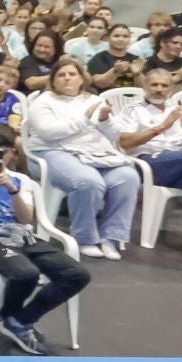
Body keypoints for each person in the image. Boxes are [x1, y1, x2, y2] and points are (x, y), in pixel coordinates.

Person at [0, 125, 92, 356]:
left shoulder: (21, 180)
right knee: (26, 273)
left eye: (5, 151)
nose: (0, 157)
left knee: (77, 275)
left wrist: (12, 190)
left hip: (23, 238)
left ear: (12, 153)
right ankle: (14, 320)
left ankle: (19, 319)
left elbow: (27, 218)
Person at [23, 57, 140, 259]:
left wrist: (104, 121)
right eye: (61, 75)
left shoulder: (95, 100)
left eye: (72, 74)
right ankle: (85, 237)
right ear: (53, 80)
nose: (67, 79)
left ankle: (110, 237)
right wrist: (85, 119)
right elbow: (49, 133)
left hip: (95, 153)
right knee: (87, 181)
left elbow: (114, 135)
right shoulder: (43, 102)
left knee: (128, 177)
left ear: (81, 79)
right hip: (52, 152)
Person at [113, 69, 182, 267]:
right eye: (154, 85)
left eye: (164, 86)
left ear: (171, 88)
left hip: (178, 162)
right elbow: (124, 143)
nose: (159, 90)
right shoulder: (133, 109)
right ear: (145, 86)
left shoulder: (176, 108)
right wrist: (161, 127)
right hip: (148, 162)